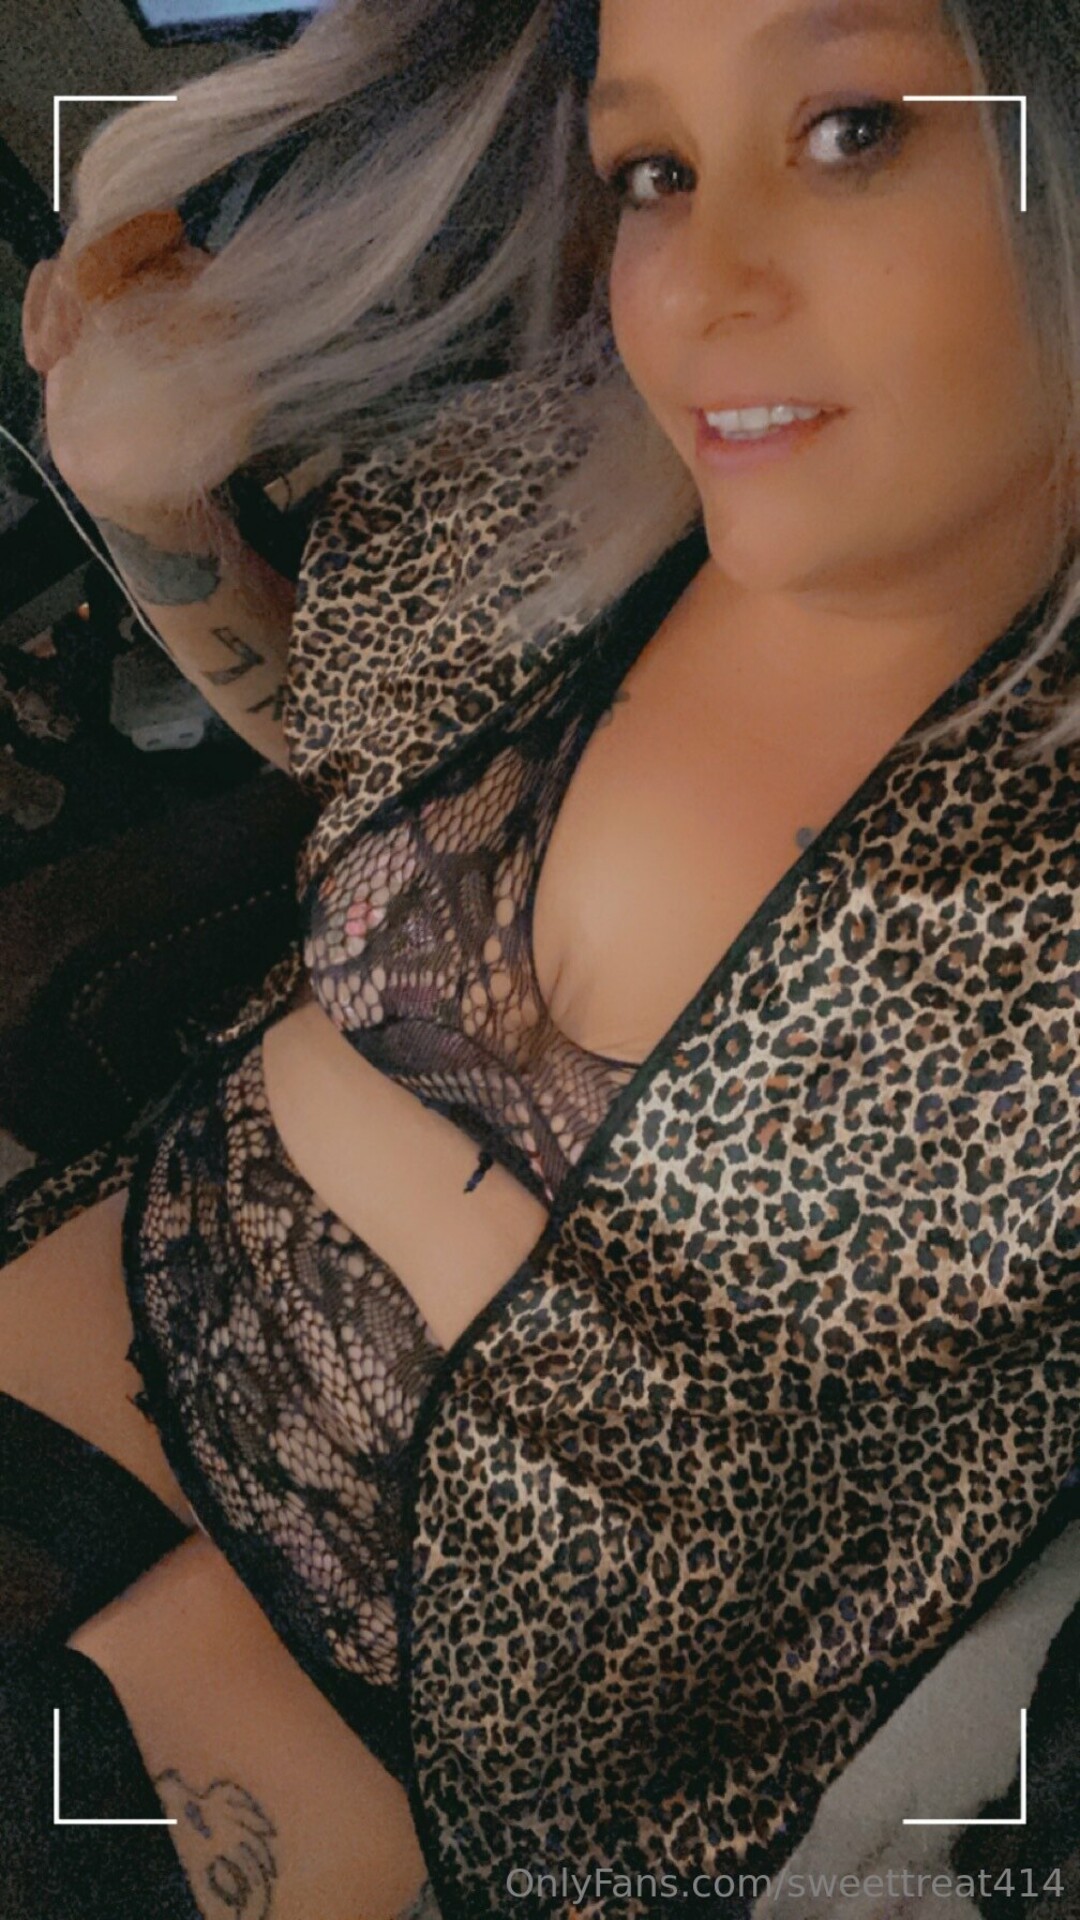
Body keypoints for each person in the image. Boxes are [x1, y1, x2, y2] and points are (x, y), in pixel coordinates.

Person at [4, 0, 1080, 1915]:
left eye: (850, 131)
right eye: (654, 169)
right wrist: (154, 516)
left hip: (394, 1681)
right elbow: (345, 765)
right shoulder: (561, 495)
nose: (700, 286)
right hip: (141, 1278)